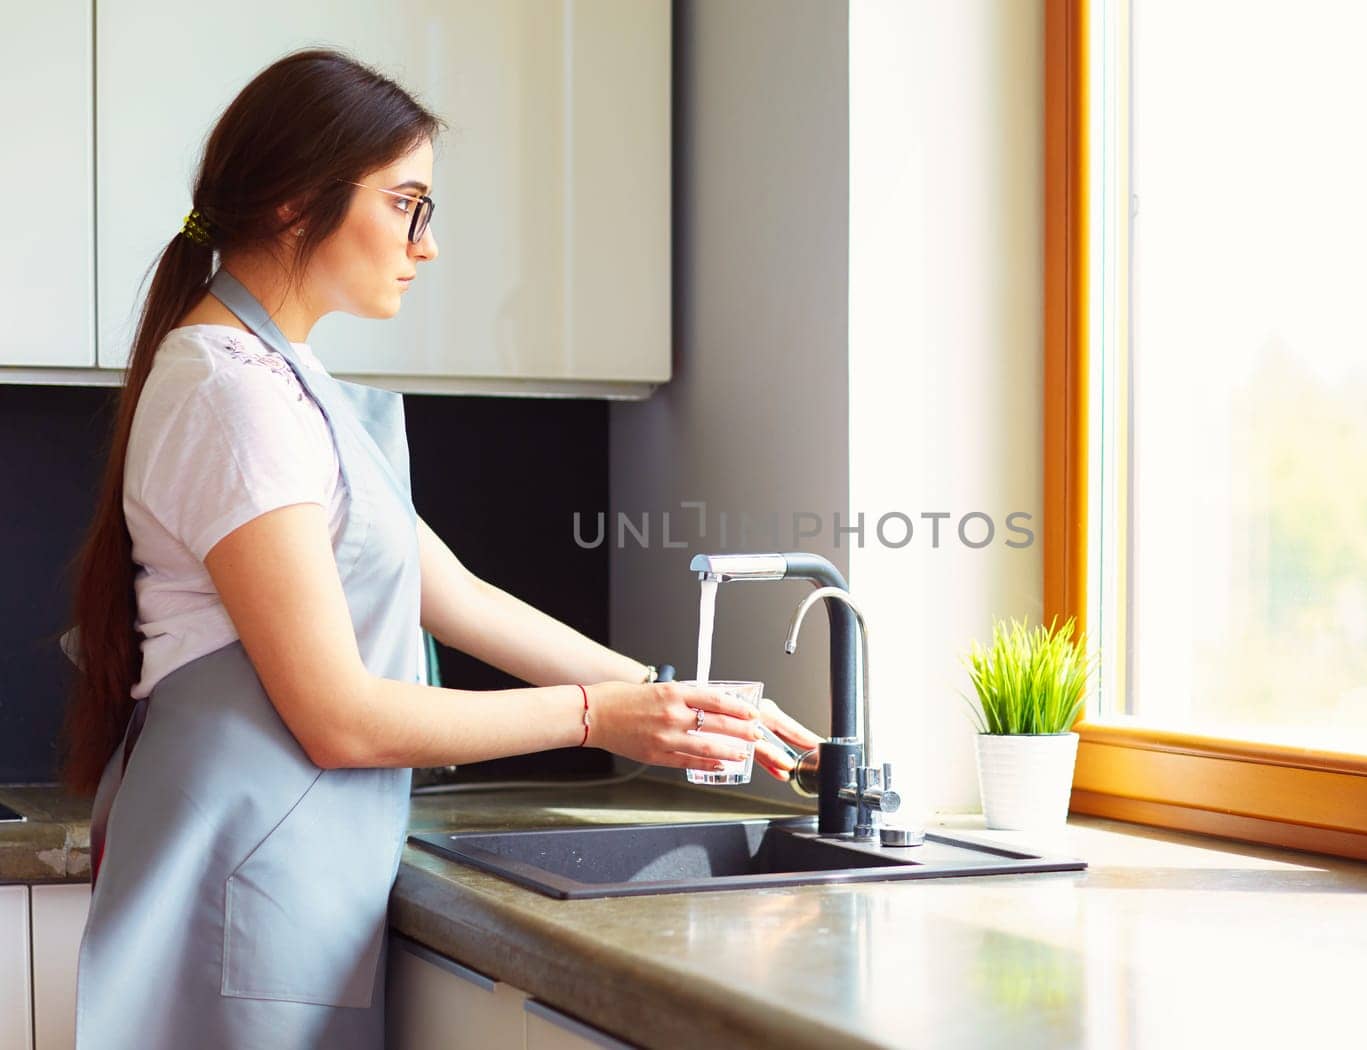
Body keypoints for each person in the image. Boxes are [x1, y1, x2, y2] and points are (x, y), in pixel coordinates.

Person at [57, 47, 822, 1049]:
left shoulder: (286, 382)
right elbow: (338, 719)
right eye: (407, 203)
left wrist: (677, 699)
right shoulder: (230, 391)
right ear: (296, 202)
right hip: (240, 879)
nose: (427, 244)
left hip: (281, 869)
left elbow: (451, 593)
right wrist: (601, 718)